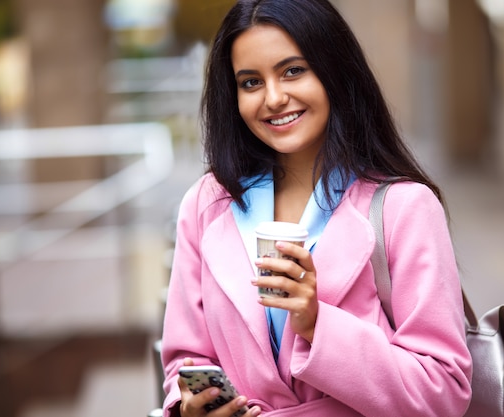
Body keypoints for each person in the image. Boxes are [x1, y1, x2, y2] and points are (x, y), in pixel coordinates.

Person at [160, 0, 472, 416]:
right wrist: (189, 407)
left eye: (293, 71)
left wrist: (316, 324)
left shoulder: (404, 208)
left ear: (334, 71)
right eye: (251, 82)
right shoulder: (207, 204)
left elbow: (444, 390)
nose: (273, 98)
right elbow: (185, 362)